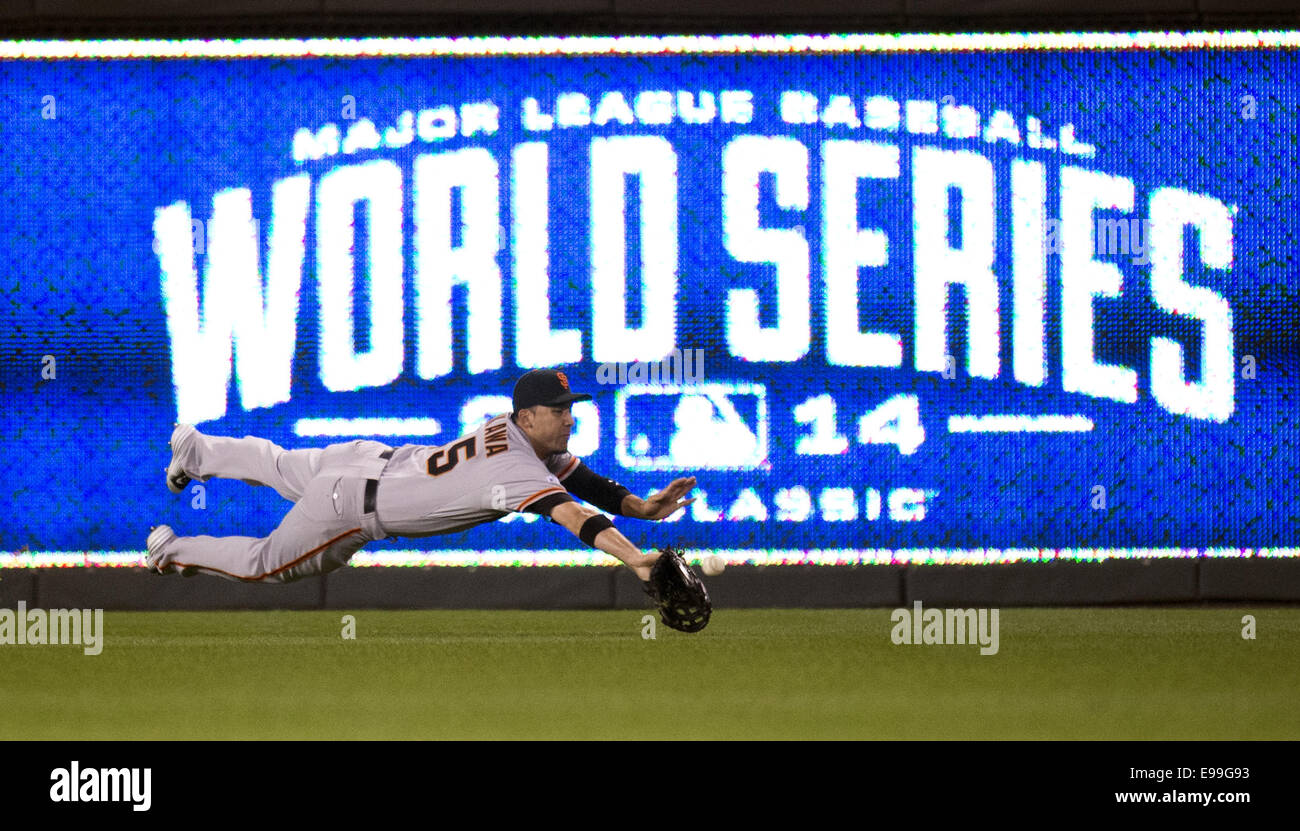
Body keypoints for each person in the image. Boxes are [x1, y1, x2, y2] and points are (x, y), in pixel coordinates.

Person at [146, 368, 697, 584]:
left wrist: (642, 507)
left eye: (569, 406)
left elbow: (584, 483)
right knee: (264, 564)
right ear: (528, 418)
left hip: (365, 460)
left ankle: (194, 448)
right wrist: (636, 559)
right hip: (350, 506)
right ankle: (171, 549)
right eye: (558, 409)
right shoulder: (515, 463)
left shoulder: (510, 431)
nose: (569, 416)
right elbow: (575, 514)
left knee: (275, 462)